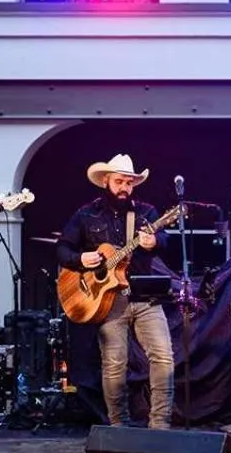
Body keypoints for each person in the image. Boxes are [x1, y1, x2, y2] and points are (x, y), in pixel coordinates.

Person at [57, 153, 174, 429]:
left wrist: (153, 241)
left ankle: (161, 426)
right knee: (114, 365)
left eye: (129, 183)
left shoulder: (147, 212)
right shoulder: (86, 215)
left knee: (164, 356)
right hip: (108, 301)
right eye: (119, 181)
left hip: (146, 295)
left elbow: (166, 241)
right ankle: (118, 426)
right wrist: (80, 259)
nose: (124, 187)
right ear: (106, 181)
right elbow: (63, 249)